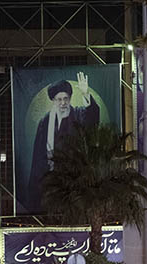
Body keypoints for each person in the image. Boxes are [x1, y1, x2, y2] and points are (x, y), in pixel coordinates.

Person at [28, 73, 100, 210]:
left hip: (75, 177)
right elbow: (38, 155)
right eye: (59, 99)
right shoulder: (45, 122)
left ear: (70, 98)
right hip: (51, 178)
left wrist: (85, 93)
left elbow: (92, 117)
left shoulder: (79, 114)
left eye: (66, 98)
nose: (63, 103)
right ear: (53, 100)